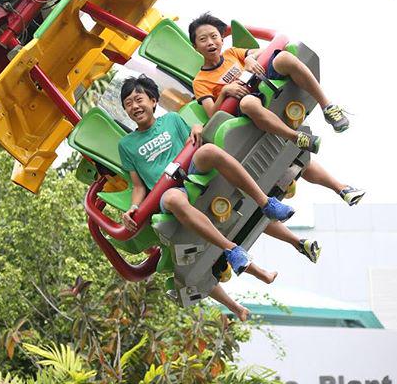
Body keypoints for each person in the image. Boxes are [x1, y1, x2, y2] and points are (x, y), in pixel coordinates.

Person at [118, 74, 292, 282]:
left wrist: (197, 127)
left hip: (191, 172)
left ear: (153, 101)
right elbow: (138, 186)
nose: (135, 107)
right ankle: (232, 251)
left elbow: (194, 143)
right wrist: (134, 207)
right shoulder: (126, 145)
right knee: (173, 199)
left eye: (139, 100)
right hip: (168, 192)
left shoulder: (171, 120)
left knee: (208, 150)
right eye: (128, 104)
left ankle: (266, 202)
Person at [189, 13, 365, 214]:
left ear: (221, 39)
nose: (210, 42)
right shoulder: (201, 81)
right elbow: (212, 113)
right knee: (249, 105)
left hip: (265, 86)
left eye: (214, 36)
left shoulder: (232, 54)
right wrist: (225, 93)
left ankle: (328, 107)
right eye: (203, 39)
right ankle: (298, 139)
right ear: (196, 46)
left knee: (283, 57)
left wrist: (249, 59)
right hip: (244, 107)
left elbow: (262, 52)